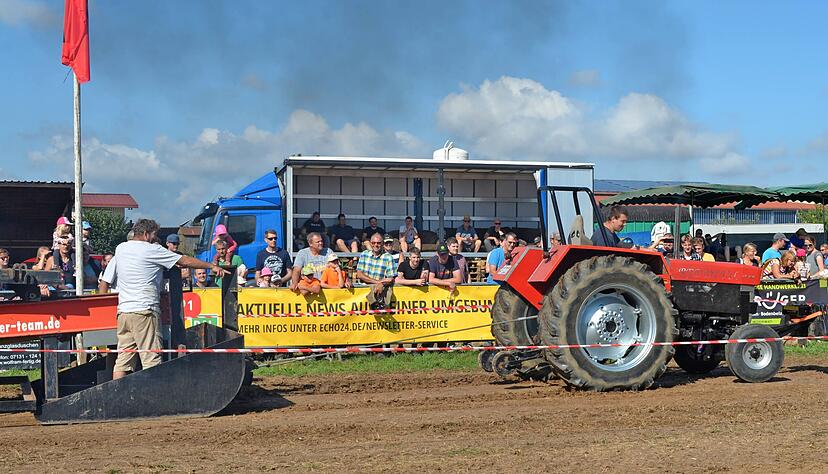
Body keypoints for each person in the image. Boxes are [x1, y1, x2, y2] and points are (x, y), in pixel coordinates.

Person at [98, 218, 227, 380]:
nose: (155, 239)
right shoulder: (152, 250)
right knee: (152, 359)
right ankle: (154, 398)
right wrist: (211, 266)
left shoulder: (121, 249)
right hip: (145, 311)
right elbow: (184, 260)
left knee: (123, 360)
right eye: (153, 235)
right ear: (146, 234)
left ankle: (116, 394)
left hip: (124, 312)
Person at [356, 233, 397, 307]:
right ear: (370, 244)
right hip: (363, 292)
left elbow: (391, 278)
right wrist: (378, 283)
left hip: (380, 292)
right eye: (373, 243)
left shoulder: (388, 257)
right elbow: (359, 274)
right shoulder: (364, 254)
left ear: (382, 244)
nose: (376, 245)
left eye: (378, 243)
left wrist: (381, 284)